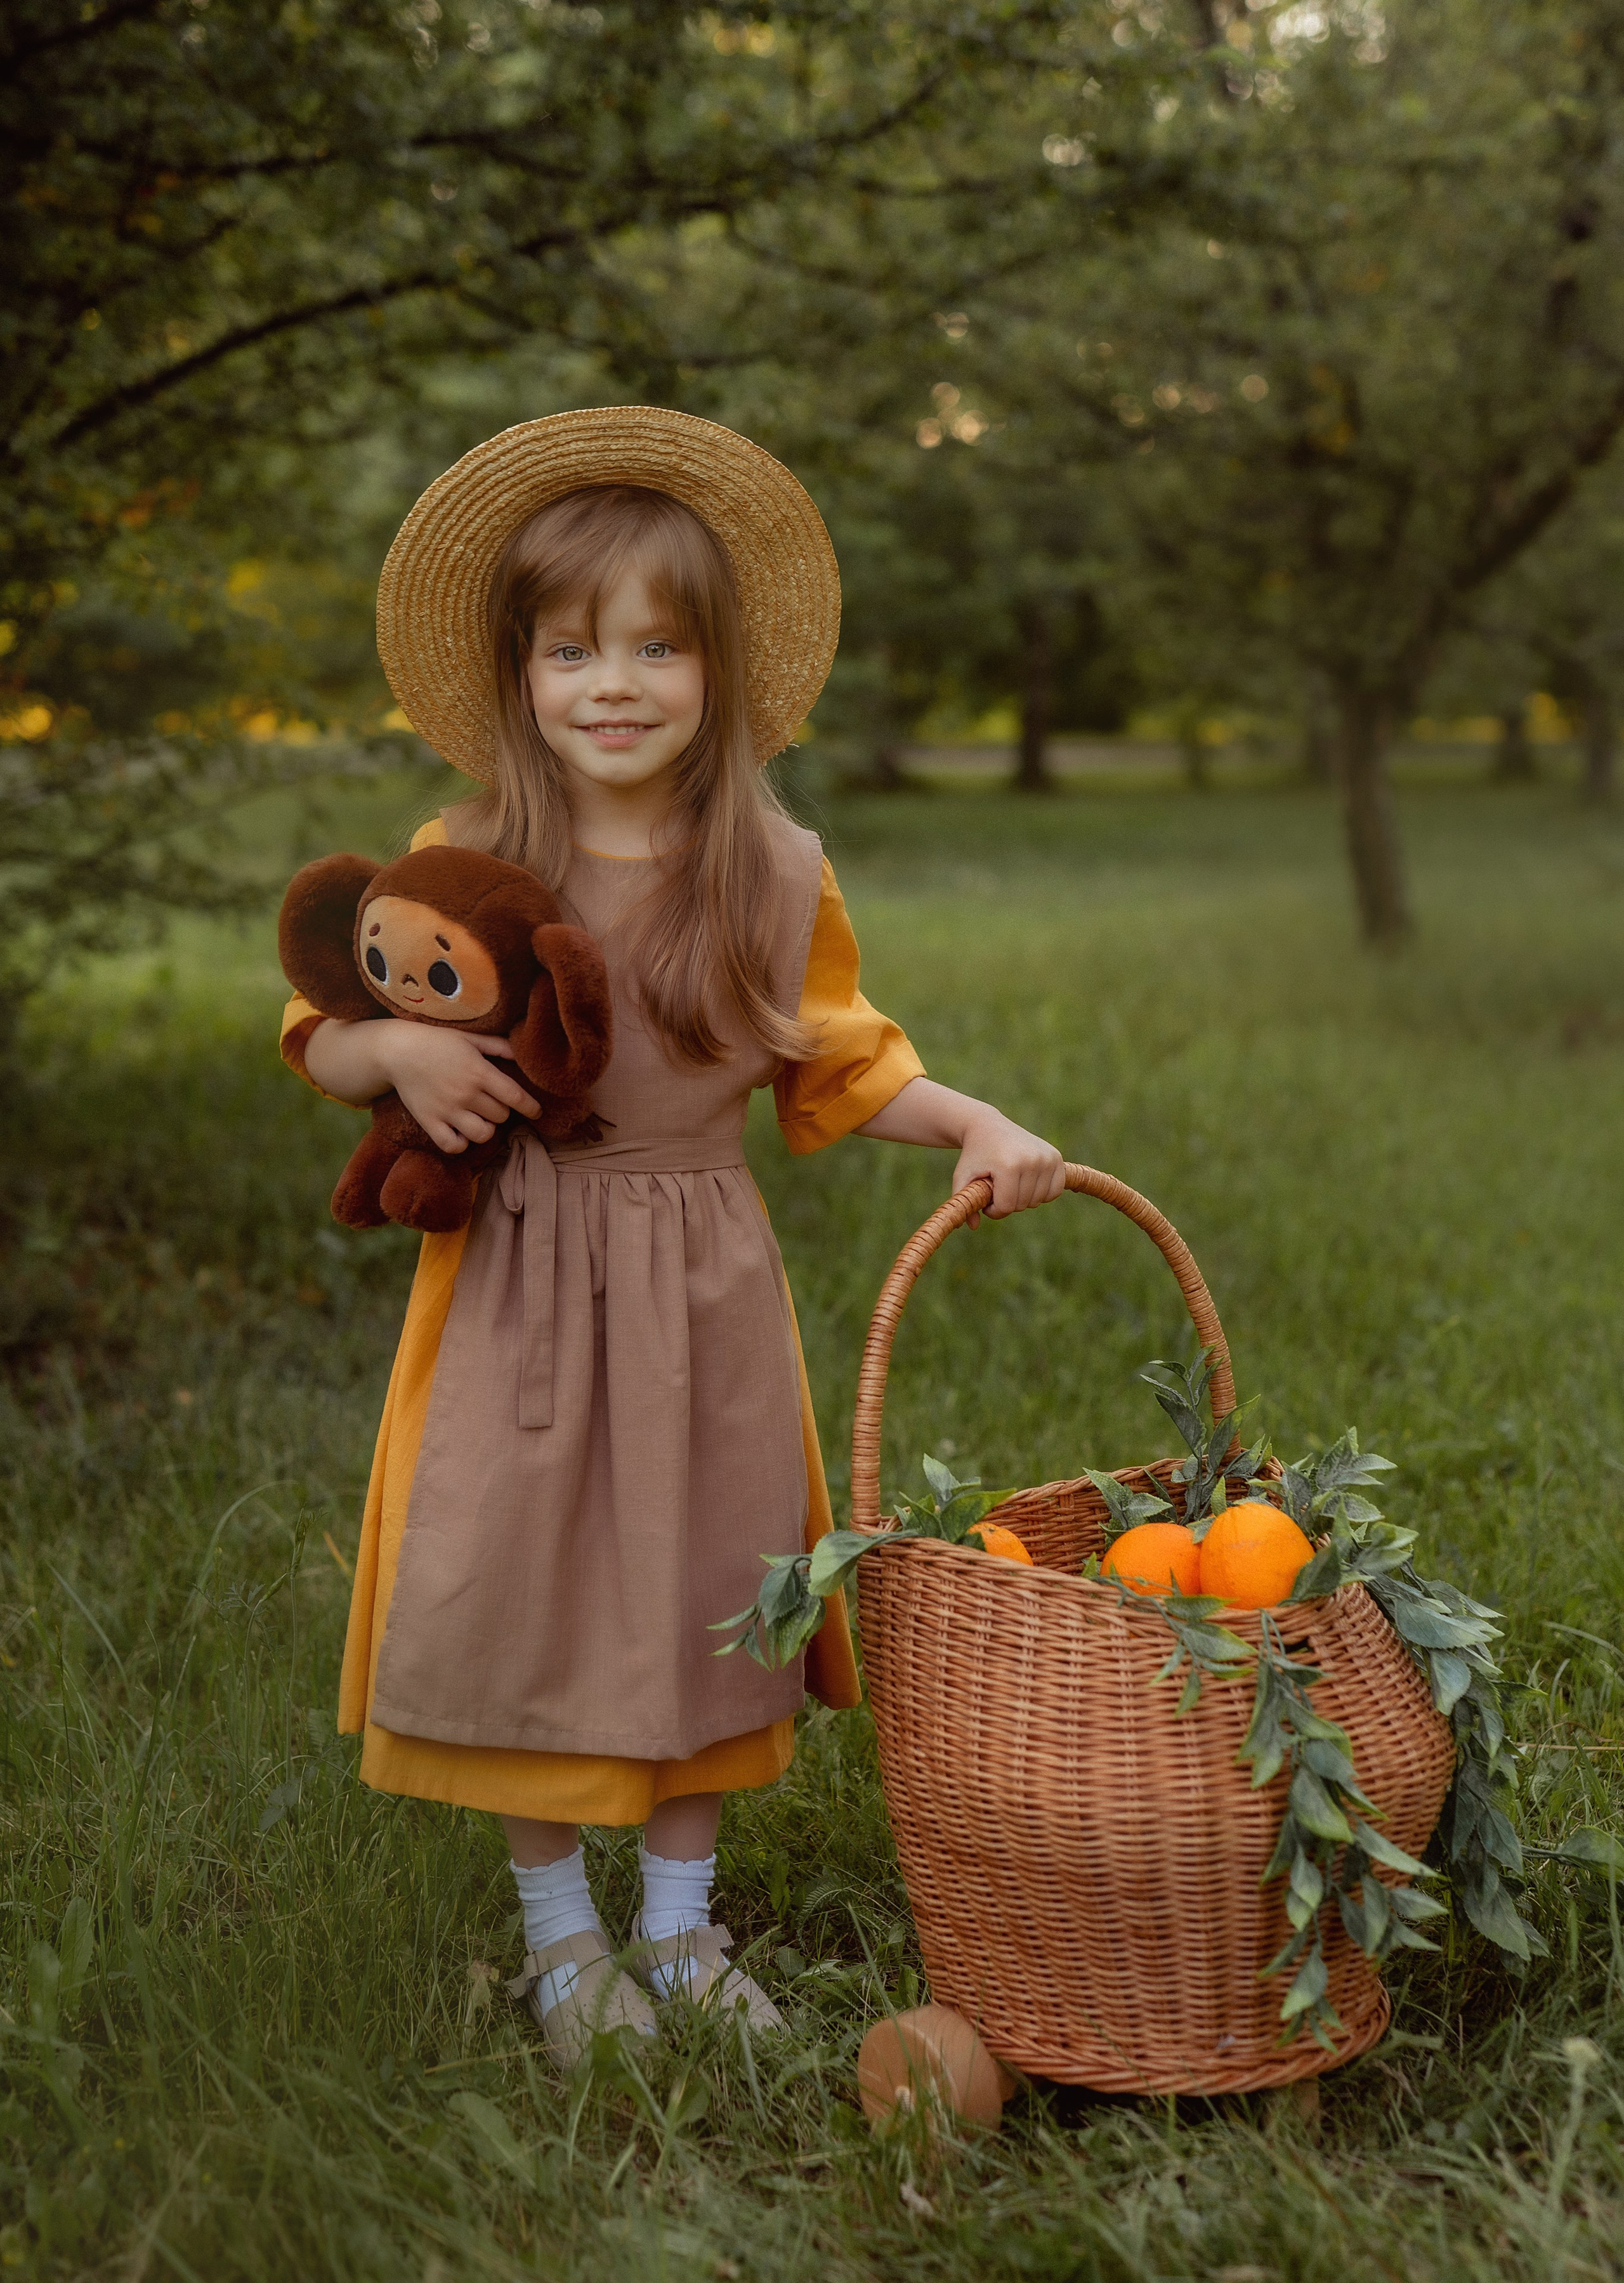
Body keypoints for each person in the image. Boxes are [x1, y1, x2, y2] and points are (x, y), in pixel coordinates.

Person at [280, 407, 1064, 2072]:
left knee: (709, 1588)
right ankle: (565, 1941)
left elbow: (849, 1065)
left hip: (701, 1281)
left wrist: (981, 1124)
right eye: (572, 650)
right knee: (521, 1577)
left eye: (655, 648)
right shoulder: (470, 858)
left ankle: (683, 1929)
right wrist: (395, 1051)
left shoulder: (770, 870)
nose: (612, 683)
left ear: (721, 672)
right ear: (522, 672)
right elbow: (324, 1027)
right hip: (516, 1285)